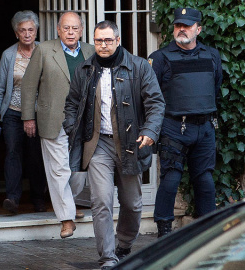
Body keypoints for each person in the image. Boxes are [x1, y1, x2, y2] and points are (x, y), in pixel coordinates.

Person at [64, 21, 165, 269]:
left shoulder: (139, 66)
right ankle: (108, 257)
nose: (103, 45)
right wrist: (71, 128)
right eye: (99, 40)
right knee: (101, 201)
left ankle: (124, 245)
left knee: (132, 203)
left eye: (108, 40)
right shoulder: (85, 69)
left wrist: (150, 130)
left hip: (131, 143)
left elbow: (156, 103)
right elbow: (71, 104)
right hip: (98, 144)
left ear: (118, 40)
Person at [148, 7, 222, 238]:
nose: (181, 29)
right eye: (178, 25)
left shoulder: (211, 55)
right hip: (174, 126)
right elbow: (151, 95)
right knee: (170, 179)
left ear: (198, 29)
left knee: (206, 179)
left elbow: (215, 86)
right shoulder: (159, 58)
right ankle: (163, 232)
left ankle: (208, 231)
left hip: (204, 126)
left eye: (187, 26)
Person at [21, 12, 95, 238]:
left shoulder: (91, 51)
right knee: (59, 169)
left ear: (81, 30)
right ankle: (66, 219)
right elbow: (28, 85)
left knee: (79, 169)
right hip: (53, 118)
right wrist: (28, 117)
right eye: (66, 28)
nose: (71, 32)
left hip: (84, 119)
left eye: (75, 28)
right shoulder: (44, 50)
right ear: (58, 30)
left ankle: (68, 204)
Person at [0, 10, 48, 215]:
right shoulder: (8, 55)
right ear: (16, 33)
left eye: (30, 30)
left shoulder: (46, 51)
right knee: (13, 154)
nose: (26, 34)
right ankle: (12, 199)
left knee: (36, 157)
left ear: (36, 31)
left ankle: (38, 199)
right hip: (13, 113)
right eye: (22, 30)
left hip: (38, 114)